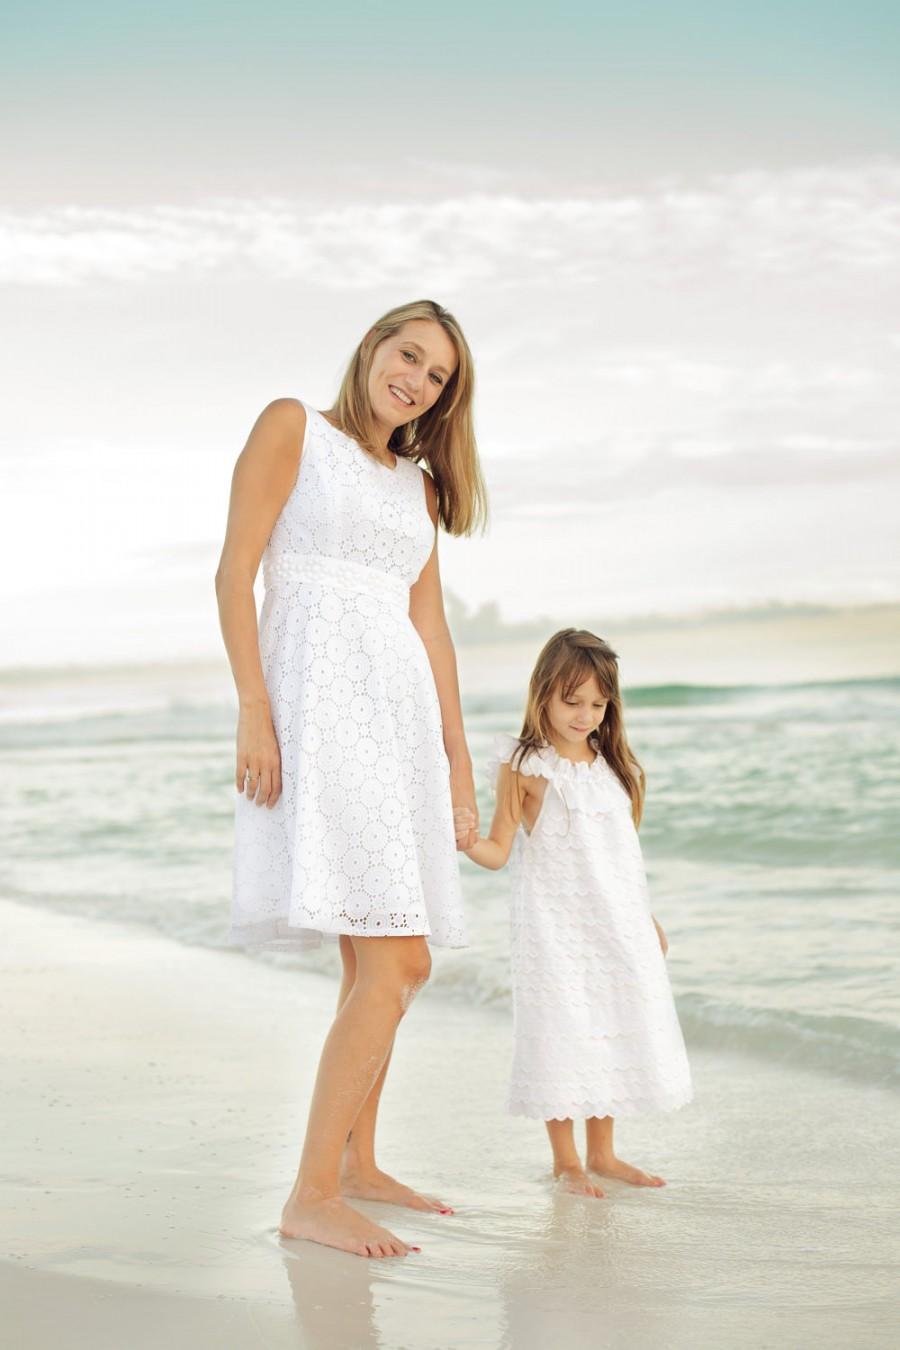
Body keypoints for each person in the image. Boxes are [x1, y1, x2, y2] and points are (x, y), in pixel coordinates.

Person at [215, 299, 486, 1257]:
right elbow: (235, 571)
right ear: (371, 348)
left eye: (437, 375)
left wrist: (455, 753)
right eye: (407, 354)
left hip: (397, 718)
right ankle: (311, 1193)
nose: (415, 379)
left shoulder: (415, 488)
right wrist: (257, 708)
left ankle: (358, 1163)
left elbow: (432, 626)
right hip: (319, 708)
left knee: (369, 957)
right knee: (400, 959)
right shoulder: (294, 426)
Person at [456, 629, 692, 1197]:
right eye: (572, 701)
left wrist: (646, 916)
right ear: (542, 694)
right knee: (562, 1032)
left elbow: (622, 857)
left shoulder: (611, 765)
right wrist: (464, 841)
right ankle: (567, 1162)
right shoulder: (524, 766)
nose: (585, 714)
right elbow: (497, 851)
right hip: (555, 930)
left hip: (616, 925)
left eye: (597, 703)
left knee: (608, 1029)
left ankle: (604, 1153)